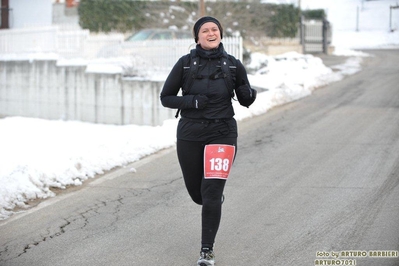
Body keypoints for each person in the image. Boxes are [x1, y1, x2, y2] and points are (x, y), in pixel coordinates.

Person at [160, 16, 256, 266]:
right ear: (197, 37)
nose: (211, 33)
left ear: (221, 34)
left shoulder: (233, 65)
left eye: (215, 29)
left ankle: (206, 251)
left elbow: (245, 98)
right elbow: (166, 97)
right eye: (205, 30)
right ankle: (211, 200)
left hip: (222, 133)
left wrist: (249, 94)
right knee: (197, 194)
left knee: (211, 193)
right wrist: (191, 101)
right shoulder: (184, 65)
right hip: (190, 133)